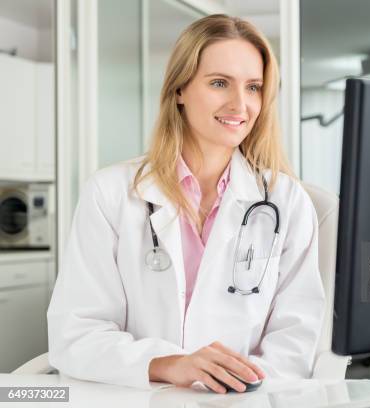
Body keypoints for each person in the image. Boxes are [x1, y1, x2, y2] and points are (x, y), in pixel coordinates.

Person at [47, 14, 325, 393]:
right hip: (135, 398)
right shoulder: (111, 193)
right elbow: (76, 333)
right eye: (219, 83)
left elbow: (296, 337)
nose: (240, 104)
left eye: (254, 87)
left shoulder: (286, 201)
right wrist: (169, 365)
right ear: (180, 89)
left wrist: (238, 386)